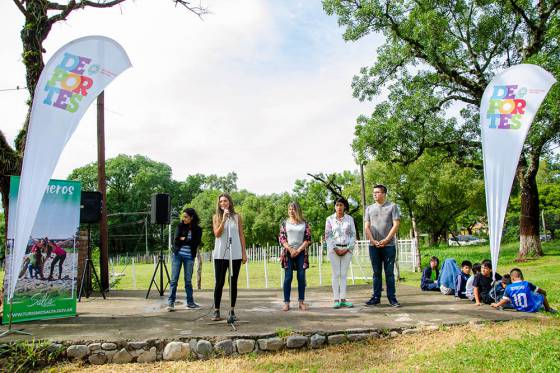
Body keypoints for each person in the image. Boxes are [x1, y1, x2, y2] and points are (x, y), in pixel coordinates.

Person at [211, 193, 247, 321]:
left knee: (233, 282)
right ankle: (216, 311)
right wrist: (224, 219)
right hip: (221, 254)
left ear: (230, 202)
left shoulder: (237, 217)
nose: (223, 203)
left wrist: (244, 252)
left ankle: (232, 311)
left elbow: (241, 235)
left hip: (235, 254)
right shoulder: (216, 217)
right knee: (219, 282)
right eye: (221, 201)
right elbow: (217, 234)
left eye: (225, 201)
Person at [364, 184, 401, 307]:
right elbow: (366, 227)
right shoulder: (369, 208)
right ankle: (376, 297)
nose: (375, 194)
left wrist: (386, 240)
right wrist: (373, 240)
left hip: (389, 246)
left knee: (389, 273)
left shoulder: (392, 207)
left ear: (384, 194)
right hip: (373, 245)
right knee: (376, 272)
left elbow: (396, 225)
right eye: (374, 192)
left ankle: (392, 298)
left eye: (378, 192)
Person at [167, 208, 202, 311]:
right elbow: (176, 240)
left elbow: (196, 243)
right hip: (177, 255)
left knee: (188, 281)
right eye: (183, 216)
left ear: (192, 217)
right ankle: (170, 303)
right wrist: (188, 239)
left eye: (186, 217)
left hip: (189, 257)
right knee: (174, 280)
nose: (184, 218)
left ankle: (190, 303)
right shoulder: (180, 226)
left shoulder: (198, 230)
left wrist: (184, 239)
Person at [279, 201, 312, 311]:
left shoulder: (305, 223)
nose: (291, 211)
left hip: (301, 252)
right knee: (288, 277)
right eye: (289, 209)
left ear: (298, 210)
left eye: (293, 209)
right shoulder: (285, 223)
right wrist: (291, 249)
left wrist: (298, 250)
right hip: (288, 252)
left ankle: (301, 302)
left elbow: (308, 239)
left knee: (301, 277)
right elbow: (282, 239)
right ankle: (286, 302)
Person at [325, 197, 356, 308]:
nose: (339, 207)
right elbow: (328, 236)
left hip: (347, 250)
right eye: (337, 205)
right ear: (334, 206)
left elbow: (353, 234)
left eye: (341, 205)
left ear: (345, 206)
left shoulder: (349, 219)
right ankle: (335, 299)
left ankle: (343, 299)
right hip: (334, 250)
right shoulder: (329, 219)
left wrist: (348, 248)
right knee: (336, 274)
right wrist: (335, 248)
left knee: (343, 274)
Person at [492, 268, 556, 313]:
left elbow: (504, 300)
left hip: (519, 309)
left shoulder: (508, 287)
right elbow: (539, 290)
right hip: (532, 309)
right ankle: (548, 309)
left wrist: (496, 305)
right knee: (541, 295)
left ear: (512, 278)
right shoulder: (527, 284)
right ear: (521, 276)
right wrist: (544, 292)